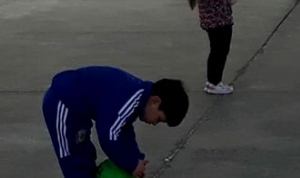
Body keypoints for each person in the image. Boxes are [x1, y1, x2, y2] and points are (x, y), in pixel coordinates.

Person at [42, 67, 189, 178]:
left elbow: (124, 131)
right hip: (62, 102)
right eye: (159, 119)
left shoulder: (138, 98)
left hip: (79, 109)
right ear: (155, 101)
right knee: (72, 156)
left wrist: (136, 157)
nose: (155, 123)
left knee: (84, 152)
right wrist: (131, 164)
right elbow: (109, 135)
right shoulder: (130, 99)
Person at [185, 0, 244, 95]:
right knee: (221, 52)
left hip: (208, 20)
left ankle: (212, 82)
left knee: (215, 51)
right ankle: (214, 82)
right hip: (220, 20)